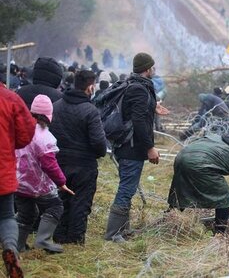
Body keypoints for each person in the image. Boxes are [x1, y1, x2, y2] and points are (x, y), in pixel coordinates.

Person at [104, 52, 160, 242]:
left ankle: (123, 229)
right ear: (147, 69)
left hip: (127, 146)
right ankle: (113, 234)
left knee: (128, 186)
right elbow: (138, 121)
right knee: (127, 188)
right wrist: (150, 148)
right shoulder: (138, 89)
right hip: (131, 147)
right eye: (153, 66)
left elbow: (136, 111)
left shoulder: (135, 85)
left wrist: (153, 107)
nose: (154, 69)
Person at [50, 70, 107, 244]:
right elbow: (99, 143)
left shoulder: (56, 106)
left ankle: (58, 235)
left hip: (59, 162)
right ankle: (75, 239)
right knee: (81, 202)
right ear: (90, 87)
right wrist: (99, 153)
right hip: (84, 165)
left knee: (61, 200)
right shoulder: (91, 111)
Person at [15, 95, 74, 254]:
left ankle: (18, 244)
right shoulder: (44, 137)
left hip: (19, 183)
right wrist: (61, 182)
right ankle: (43, 240)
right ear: (49, 115)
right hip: (38, 185)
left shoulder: (20, 129)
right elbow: (49, 165)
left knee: (26, 214)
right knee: (55, 206)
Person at [0, 83, 35, 278]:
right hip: (2, 169)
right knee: (6, 216)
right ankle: (11, 249)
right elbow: (26, 133)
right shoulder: (10, 98)